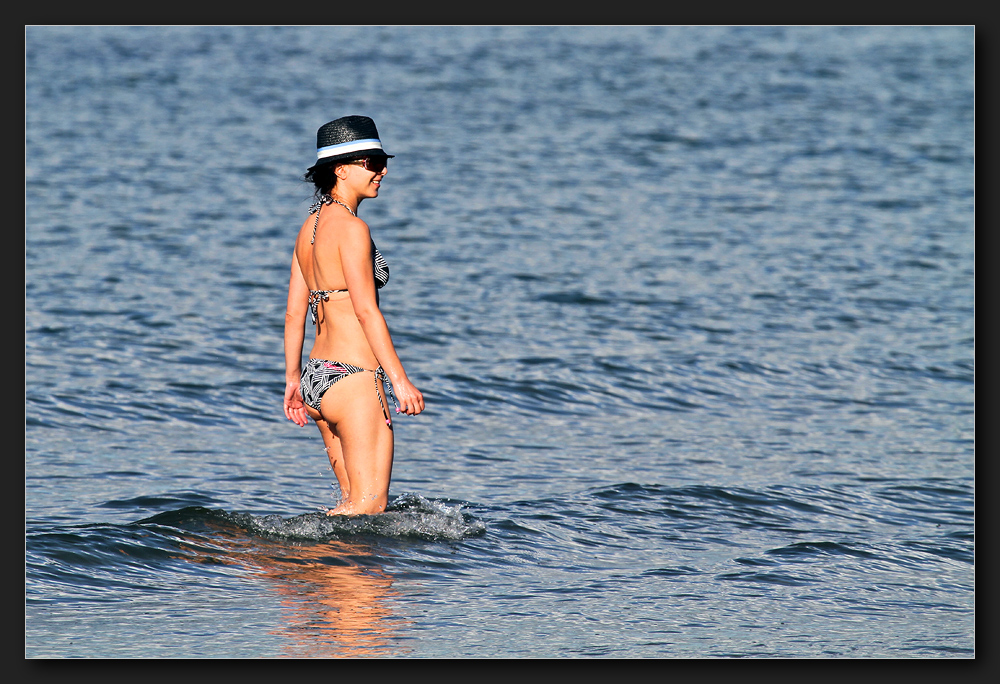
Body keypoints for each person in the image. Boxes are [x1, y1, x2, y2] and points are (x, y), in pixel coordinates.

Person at [283, 115, 424, 516]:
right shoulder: (351, 230)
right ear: (340, 170)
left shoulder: (308, 228)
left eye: (383, 161)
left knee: (350, 510)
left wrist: (294, 380)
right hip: (355, 381)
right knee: (369, 507)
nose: (382, 170)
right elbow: (365, 309)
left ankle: (324, 575)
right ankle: (278, 562)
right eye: (371, 162)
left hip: (317, 378)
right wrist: (400, 381)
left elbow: (295, 313)